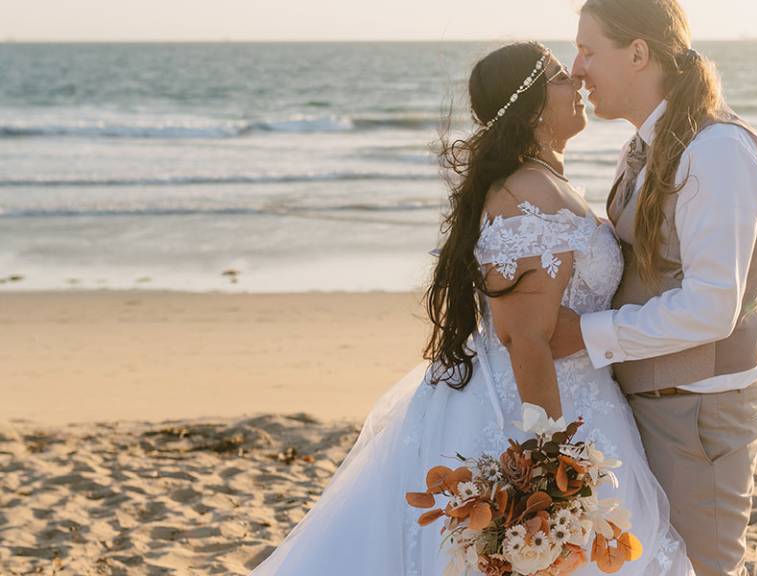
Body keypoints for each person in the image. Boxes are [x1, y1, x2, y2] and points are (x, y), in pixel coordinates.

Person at [249, 41, 694, 575]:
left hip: (584, 400)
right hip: (531, 413)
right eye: (557, 76)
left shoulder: (543, 182)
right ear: (530, 106)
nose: (574, 81)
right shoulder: (526, 192)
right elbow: (523, 337)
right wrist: (551, 463)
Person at [548, 1, 757, 574]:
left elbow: (710, 308)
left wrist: (585, 335)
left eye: (588, 50)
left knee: (702, 568)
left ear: (639, 53)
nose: (576, 69)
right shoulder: (646, 147)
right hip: (648, 405)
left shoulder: (715, 153)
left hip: (697, 416)